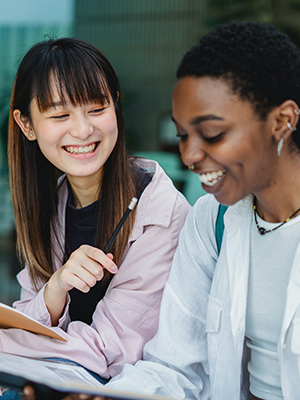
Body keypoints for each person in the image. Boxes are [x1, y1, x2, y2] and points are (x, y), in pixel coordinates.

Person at [27, 20, 300, 400]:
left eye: (213, 133)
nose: (189, 156)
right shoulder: (212, 222)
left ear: (282, 122)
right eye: (183, 135)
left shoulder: (167, 213)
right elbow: (173, 366)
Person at [0, 37, 191, 398]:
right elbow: (27, 316)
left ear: (115, 105)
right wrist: (55, 288)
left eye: (96, 108)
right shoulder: (50, 204)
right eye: (59, 115)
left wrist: (11, 344)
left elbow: (111, 349)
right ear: (27, 126)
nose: (83, 130)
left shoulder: (161, 213)